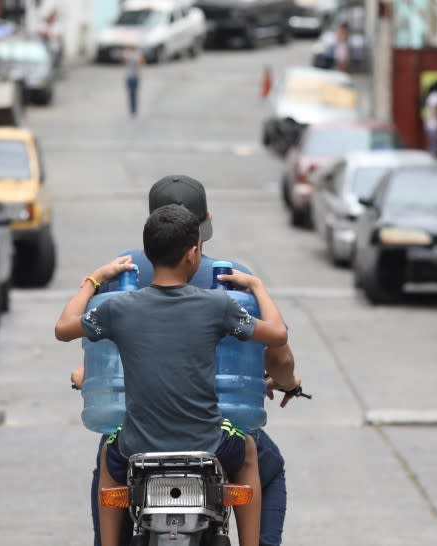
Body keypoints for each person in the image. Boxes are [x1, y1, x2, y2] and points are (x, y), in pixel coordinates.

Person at [71, 175, 301, 546]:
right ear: (199, 234)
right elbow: (279, 356)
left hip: (138, 433)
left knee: (108, 463)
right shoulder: (230, 284)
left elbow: (98, 353)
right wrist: (286, 381)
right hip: (210, 433)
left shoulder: (121, 282)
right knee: (262, 462)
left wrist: (84, 374)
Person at [122, 46, 144, 117]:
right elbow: (123, 61)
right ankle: (132, 110)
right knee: (131, 94)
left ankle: (134, 109)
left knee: (134, 94)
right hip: (129, 77)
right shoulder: (127, 53)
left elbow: (141, 62)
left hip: (136, 77)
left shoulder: (138, 53)